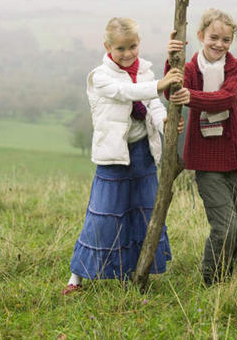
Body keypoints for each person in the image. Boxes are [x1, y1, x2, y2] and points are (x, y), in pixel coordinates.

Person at [64, 17, 184, 294]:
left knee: (143, 213)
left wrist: (167, 119)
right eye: (120, 48)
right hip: (114, 155)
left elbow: (152, 104)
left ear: (139, 44)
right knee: (104, 215)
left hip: (142, 152)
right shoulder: (100, 77)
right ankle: (77, 278)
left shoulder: (145, 70)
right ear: (107, 47)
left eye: (133, 46)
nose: (128, 53)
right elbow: (126, 93)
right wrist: (159, 85)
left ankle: (136, 272)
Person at [167, 8, 237, 285]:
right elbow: (171, 87)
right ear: (200, 36)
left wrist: (190, 97)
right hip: (206, 159)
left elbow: (225, 98)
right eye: (213, 37)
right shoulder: (190, 69)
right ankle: (211, 279)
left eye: (226, 40)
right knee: (226, 227)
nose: (219, 44)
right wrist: (171, 58)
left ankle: (227, 271)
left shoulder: (236, 67)